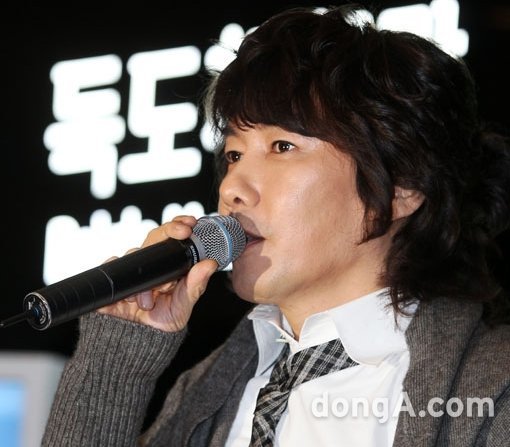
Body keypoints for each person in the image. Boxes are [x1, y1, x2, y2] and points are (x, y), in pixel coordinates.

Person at [42, 4, 510, 446]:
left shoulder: (491, 386)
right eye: (233, 154)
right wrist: (118, 359)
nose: (232, 188)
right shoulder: (209, 388)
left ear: (401, 188)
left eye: (282, 147)